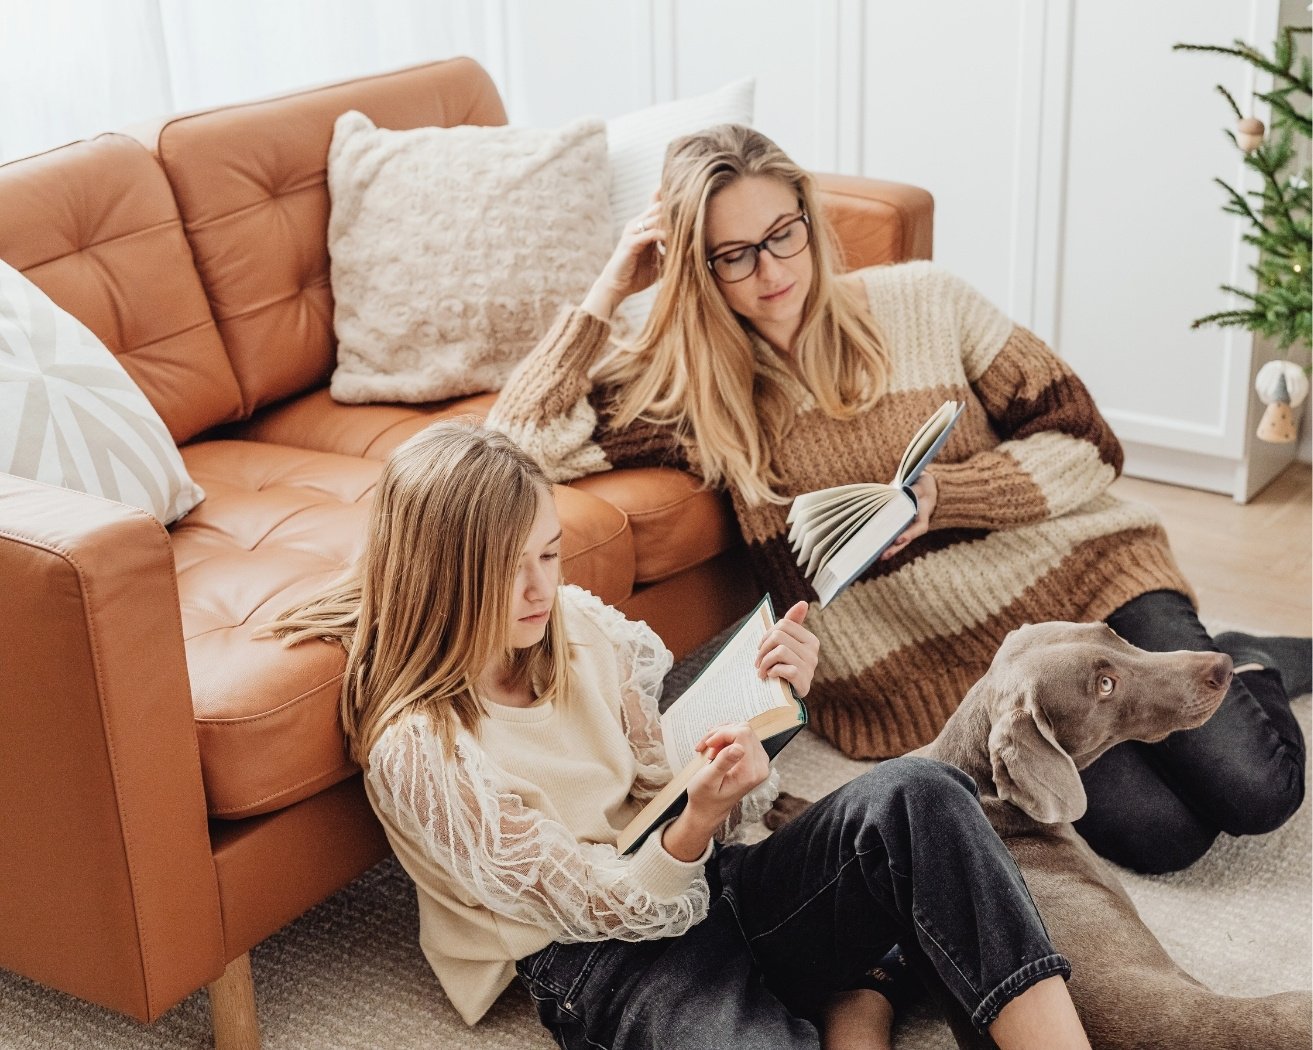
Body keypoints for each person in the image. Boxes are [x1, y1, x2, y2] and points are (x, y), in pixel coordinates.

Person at [486, 122, 1308, 881]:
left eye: (781, 235)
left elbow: (1086, 440)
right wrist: (609, 285)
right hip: (947, 664)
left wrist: (946, 495)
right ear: (694, 268)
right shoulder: (692, 398)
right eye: (731, 255)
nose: (770, 271)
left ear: (807, 217)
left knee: (1254, 787)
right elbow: (518, 437)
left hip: (1083, 586)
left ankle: (1243, 661)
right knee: (1162, 836)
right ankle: (1207, 656)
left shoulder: (925, 299)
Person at [266, 420, 1092, 1050]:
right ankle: (857, 987)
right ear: (441, 575)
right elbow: (593, 900)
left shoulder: (574, 625)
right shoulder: (419, 748)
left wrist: (765, 712)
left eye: (548, 555)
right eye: (506, 569)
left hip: (709, 882)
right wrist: (693, 823)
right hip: (596, 956)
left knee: (922, 795)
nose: (537, 589)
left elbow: (673, 788)